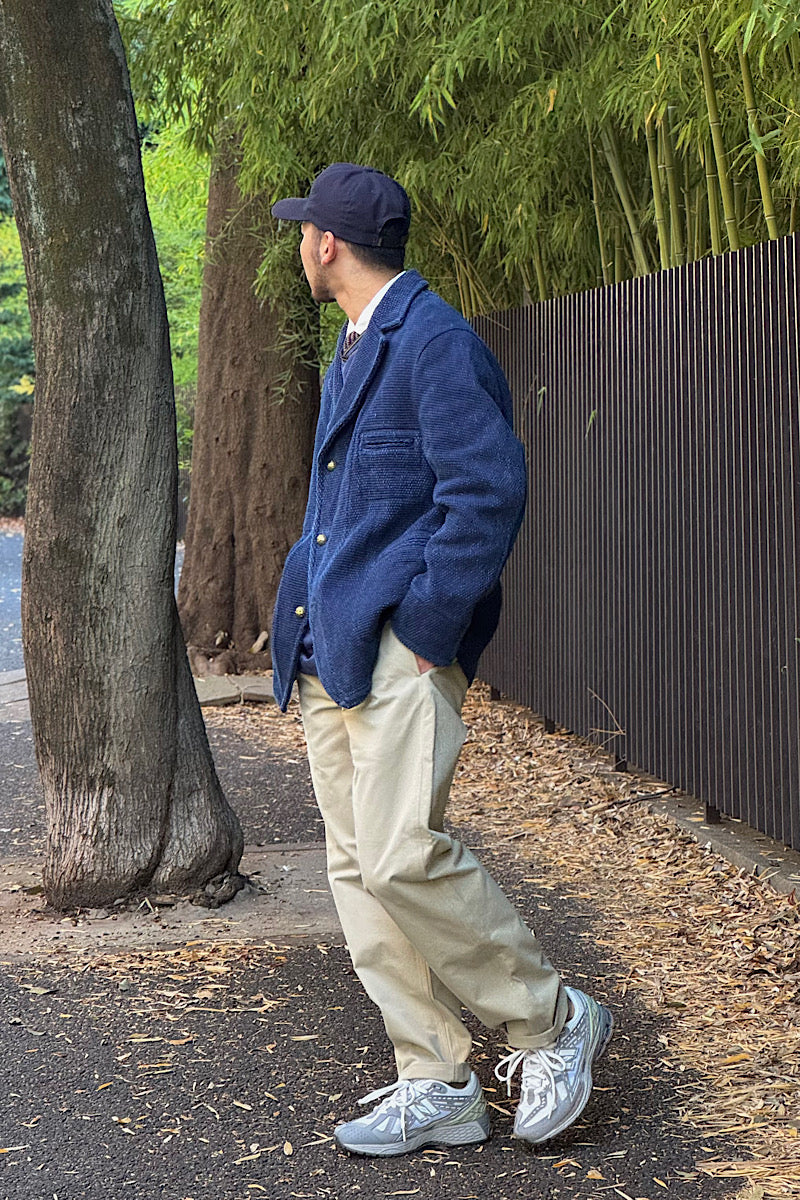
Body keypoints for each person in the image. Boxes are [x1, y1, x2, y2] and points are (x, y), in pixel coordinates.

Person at [270, 163, 613, 1157]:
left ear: (327, 244)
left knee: (401, 857)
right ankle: (435, 1079)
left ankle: (549, 1021)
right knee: (356, 872)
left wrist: (425, 630)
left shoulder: (432, 343)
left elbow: (486, 493)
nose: (298, 245)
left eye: (303, 232)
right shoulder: (356, 343)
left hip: (393, 651)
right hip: (329, 650)